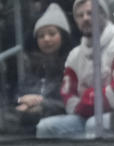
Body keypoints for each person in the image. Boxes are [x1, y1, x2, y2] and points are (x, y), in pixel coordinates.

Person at [35, 0, 114, 138]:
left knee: (94, 125)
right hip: (90, 115)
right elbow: (68, 95)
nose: (85, 18)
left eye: (90, 13)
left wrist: (86, 99)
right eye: (80, 15)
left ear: (104, 15)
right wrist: (89, 101)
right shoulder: (75, 55)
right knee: (45, 127)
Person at [14, 3, 73, 134]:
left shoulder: (72, 64)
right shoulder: (31, 66)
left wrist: (41, 104)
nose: (46, 39)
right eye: (41, 36)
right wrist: (21, 100)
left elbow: (69, 102)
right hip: (26, 116)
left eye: (52, 34)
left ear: (63, 36)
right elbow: (18, 95)